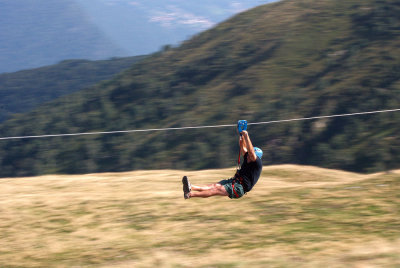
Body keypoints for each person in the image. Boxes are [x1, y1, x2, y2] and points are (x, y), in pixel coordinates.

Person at [182, 130, 263, 199]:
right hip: (234, 181)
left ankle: (189, 195)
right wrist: (241, 134)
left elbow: (251, 152)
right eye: (248, 154)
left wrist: (246, 135)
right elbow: (242, 147)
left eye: (250, 155)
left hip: (240, 188)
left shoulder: (257, 163)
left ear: (256, 157)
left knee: (215, 190)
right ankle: (190, 187)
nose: (248, 155)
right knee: (214, 186)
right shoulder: (248, 156)